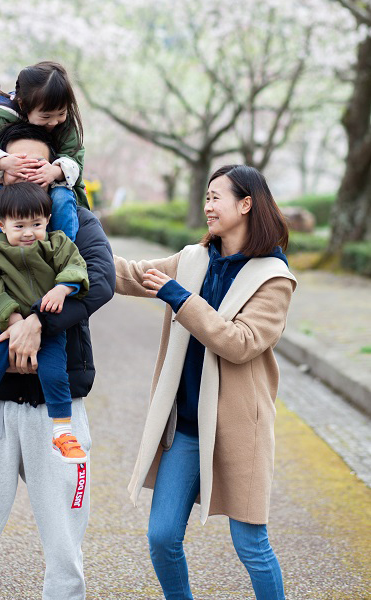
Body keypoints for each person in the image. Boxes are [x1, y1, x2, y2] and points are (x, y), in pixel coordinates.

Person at [0, 122, 115, 600]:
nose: (29, 178)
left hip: (59, 411)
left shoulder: (78, 224)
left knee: (65, 555)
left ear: (56, 173)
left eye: (40, 167)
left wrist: (38, 324)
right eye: (18, 167)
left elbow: (101, 282)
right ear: (1, 174)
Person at [114, 165, 297, 600]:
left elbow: (241, 343)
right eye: (207, 197)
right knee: (161, 537)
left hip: (239, 430)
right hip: (187, 428)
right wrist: (69, 251)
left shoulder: (273, 278)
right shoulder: (193, 259)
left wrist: (181, 298)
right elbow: (132, 274)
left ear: (246, 204)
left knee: (250, 545)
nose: (207, 206)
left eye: (216, 197)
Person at [0, 182, 90, 466]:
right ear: (2, 225)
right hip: (1, 326)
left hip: (48, 328)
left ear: (48, 221)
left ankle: (62, 432)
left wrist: (63, 288)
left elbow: (76, 265)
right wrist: (9, 314)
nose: (29, 233)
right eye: (19, 226)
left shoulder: (57, 244)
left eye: (36, 224)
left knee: (55, 374)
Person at [0, 61, 87, 276]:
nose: (54, 122)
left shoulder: (65, 126)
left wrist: (55, 171)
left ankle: (67, 260)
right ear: (23, 105)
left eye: (61, 113)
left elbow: (75, 161)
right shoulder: (1, 116)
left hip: (49, 186)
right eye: (46, 116)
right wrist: (4, 162)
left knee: (62, 199)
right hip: (8, 188)